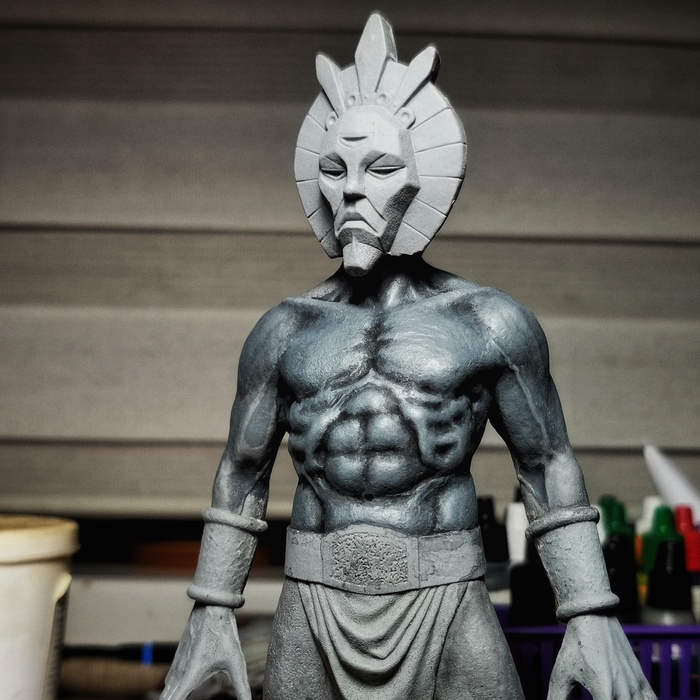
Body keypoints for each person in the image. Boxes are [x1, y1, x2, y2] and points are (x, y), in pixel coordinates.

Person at [162, 14, 655, 700]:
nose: (352, 190)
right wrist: (212, 607)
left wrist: (590, 611)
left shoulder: (488, 322)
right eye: (334, 169)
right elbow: (242, 471)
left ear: (424, 175)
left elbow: (546, 462)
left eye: (381, 167)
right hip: (312, 597)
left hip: (448, 596)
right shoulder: (285, 330)